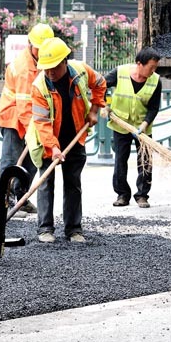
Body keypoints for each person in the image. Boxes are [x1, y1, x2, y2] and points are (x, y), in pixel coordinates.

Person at [25, 37, 106, 243]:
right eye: (46, 68)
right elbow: (42, 123)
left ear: (64, 62)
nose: (50, 72)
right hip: (46, 140)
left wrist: (94, 110)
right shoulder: (39, 87)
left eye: (54, 67)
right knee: (46, 182)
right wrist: (53, 148)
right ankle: (45, 229)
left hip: (75, 137)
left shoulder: (80, 71)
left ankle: (74, 230)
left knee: (73, 183)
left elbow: (100, 84)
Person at [0, 23, 55, 214]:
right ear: (31, 44)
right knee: (12, 160)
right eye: (40, 47)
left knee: (31, 160)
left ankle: (22, 197)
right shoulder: (23, 68)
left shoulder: (42, 61)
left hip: (32, 118)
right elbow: (23, 106)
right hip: (14, 117)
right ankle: (6, 199)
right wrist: (35, 129)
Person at [105, 47, 162, 208]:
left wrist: (144, 125)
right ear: (139, 64)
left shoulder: (156, 80)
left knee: (145, 161)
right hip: (120, 125)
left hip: (142, 128)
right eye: (151, 67)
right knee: (120, 161)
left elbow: (154, 107)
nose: (153, 71)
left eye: (155, 67)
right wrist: (104, 105)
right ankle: (122, 194)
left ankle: (142, 195)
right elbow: (100, 85)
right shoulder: (120, 72)